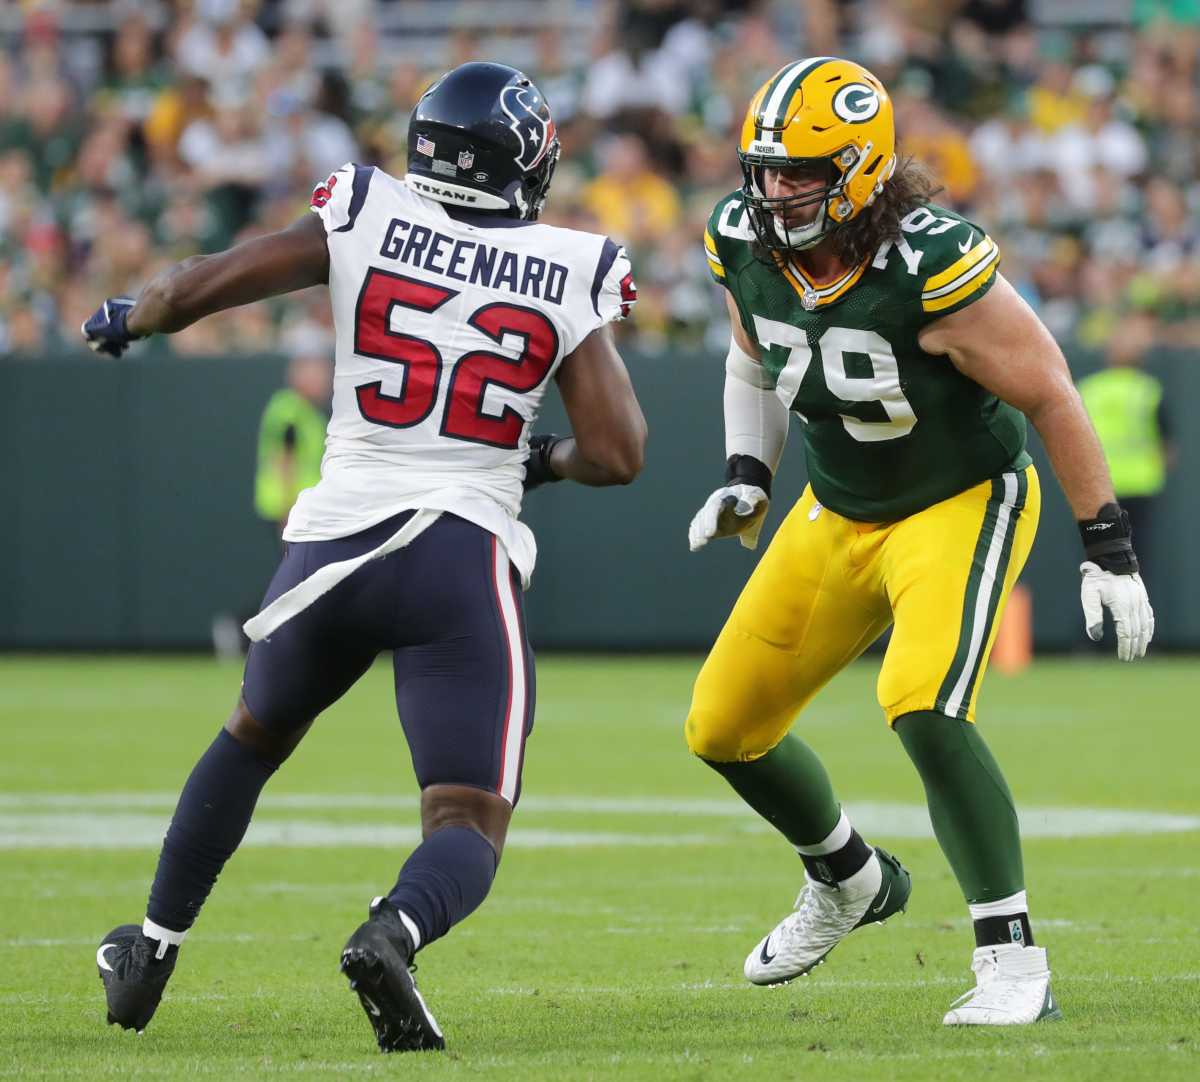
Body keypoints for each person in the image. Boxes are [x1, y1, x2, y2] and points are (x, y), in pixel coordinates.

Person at [82, 61, 646, 1053]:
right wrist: (540, 459)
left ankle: (151, 954)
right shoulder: (566, 263)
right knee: (467, 814)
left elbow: (196, 286)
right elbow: (619, 451)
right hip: (455, 555)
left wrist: (127, 317)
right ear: (522, 161)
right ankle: (393, 929)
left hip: (331, 542)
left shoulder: (364, 209)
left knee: (251, 735)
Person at [686, 57, 1153, 1027]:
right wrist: (746, 473)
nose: (775, 191)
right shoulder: (743, 240)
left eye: (800, 171)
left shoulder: (930, 261)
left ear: (860, 168)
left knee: (924, 702)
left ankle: (1011, 955)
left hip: (960, 497)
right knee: (723, 724)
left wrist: (1106, 544)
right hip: (838, 504)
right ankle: (848, 876)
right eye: (765, 170)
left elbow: (1050, 390)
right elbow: (750, 352)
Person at [253, 350, 331, 534]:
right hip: (290, 507)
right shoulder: (290, 412)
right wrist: (287, 510)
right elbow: (284, 460)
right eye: (319, 377)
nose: (325, 383)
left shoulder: (309, 411)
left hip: (303, 506)